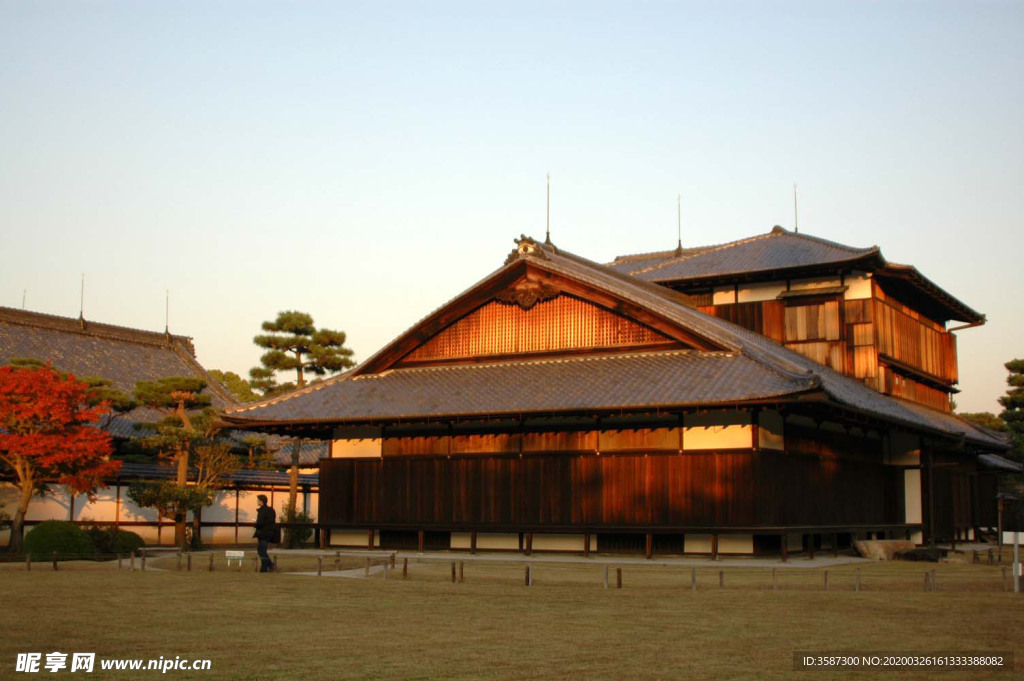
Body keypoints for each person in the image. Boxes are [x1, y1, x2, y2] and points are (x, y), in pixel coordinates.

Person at [253, 494, 277, 572]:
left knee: (261, 550)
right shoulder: (271, 510)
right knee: (262, 550)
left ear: (261, 501)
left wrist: (255, 525)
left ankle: (267, 566)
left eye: (258, 500)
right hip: (269, 532)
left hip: (263, 533)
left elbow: (260, 522)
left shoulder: (262, 511)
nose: (257, 501)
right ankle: (266, 566)